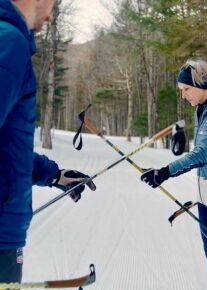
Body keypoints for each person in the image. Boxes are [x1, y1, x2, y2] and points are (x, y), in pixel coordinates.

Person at [0, 0, 96, 283]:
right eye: (52, 4)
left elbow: (7, 149)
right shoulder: (9, 44)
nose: (51, 16)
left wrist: (53, 175)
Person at [141, 59, 207, 290]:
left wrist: (165, 172)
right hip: (206, 195)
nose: (183, 95)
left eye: (186, 89)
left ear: (200, 85)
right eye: (181, 91)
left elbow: (203, 154)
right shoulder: (202, 110)